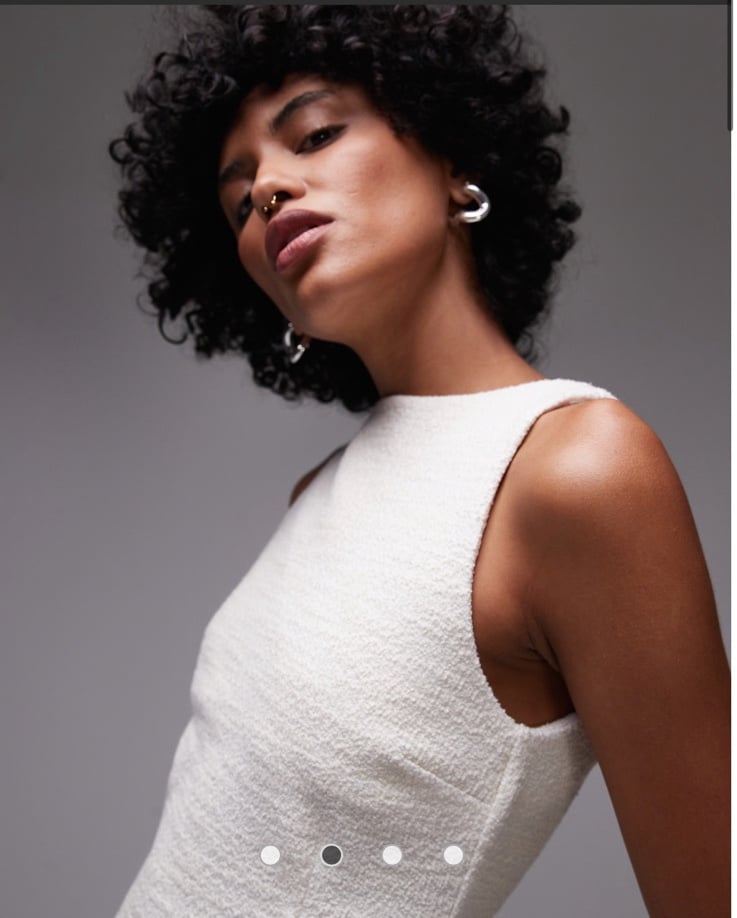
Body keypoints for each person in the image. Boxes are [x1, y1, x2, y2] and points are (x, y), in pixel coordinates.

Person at [109, 6, 729, 916]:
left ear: (453, 164)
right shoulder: (318, 491)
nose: (269, 188)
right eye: (239, 202)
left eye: (315, 135)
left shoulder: (574, 471)